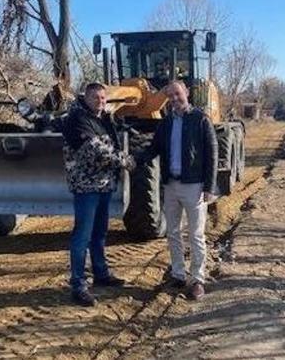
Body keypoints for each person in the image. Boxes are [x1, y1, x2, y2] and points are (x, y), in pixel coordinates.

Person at [139, 80, 218, 300]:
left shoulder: (201, 120)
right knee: (173, 233)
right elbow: (153, 149)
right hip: (171, 185)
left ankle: (197, 280)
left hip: (194, 186)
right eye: (170, 96)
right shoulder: (164, 124)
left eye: (177, 94)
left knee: (195, 235)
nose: (174, 99)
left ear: (187, 93)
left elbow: (212, 153)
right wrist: (133, 162)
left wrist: (209, 186)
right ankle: (178, 274)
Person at [62, 82, 135, 306]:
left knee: (99, 233)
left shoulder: (104, 118)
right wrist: (126, 161)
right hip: (86, 187)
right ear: (85, 98)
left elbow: (112, 141)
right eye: (96, 98)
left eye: (103, 98)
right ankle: (78, 284)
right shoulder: (77, 119)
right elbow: (96, 149)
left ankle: (101, 274)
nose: (101, 102)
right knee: (82, 235)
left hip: (103, 185)